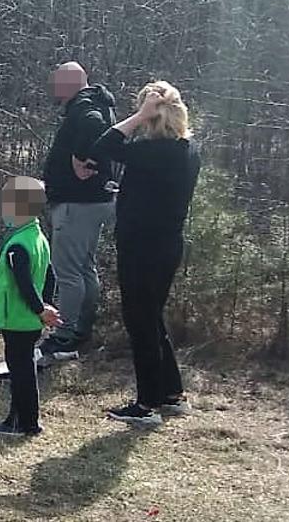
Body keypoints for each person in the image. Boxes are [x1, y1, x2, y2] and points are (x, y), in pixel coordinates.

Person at [89, 81, 203, 428]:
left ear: (153, 117)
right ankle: (171, 394)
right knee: (151, 318)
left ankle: (147, 405)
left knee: (141, 322)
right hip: (166, 245)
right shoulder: (187, 150)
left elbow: (104, 145)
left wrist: (137, 116)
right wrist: (130, 191)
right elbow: (160, 190)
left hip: (142, 247)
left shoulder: (152, 152)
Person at [39, 61, 118, 364]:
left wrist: (80, 156)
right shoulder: (97, 102)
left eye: (57, 81)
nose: (54, 87)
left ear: (72, 82)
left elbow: (93, 126)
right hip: (92, 201)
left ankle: (64, 337)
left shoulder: (85, 106)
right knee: (84, 268)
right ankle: (82, 330)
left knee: (68, 271)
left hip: (78, 204)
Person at [0, 176, 60, 438]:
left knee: (20, 372)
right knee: (24, 368)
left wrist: (40, 309)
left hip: (18, 318)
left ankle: (25, 423)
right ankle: (19, 419)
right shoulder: (37, 236)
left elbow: (24, 284)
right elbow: (50, 275)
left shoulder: (17, 246)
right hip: (31, 319)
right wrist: (47, 305)